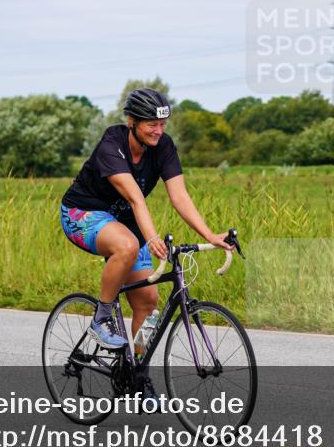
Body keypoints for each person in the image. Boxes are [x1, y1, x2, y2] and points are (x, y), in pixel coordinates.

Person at [59, 87, 232, 403]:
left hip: (125, 221)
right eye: (151, 124)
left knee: (147, 301)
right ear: (132, 121)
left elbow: (179, 196)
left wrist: (210, 235)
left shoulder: (163, 146)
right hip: (82, 214)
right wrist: (151, 238)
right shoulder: (112, 145)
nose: (158, 131)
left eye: (162, 124)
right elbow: (136, 198)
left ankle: (138, 378)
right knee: (126, 245)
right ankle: (101, 318)